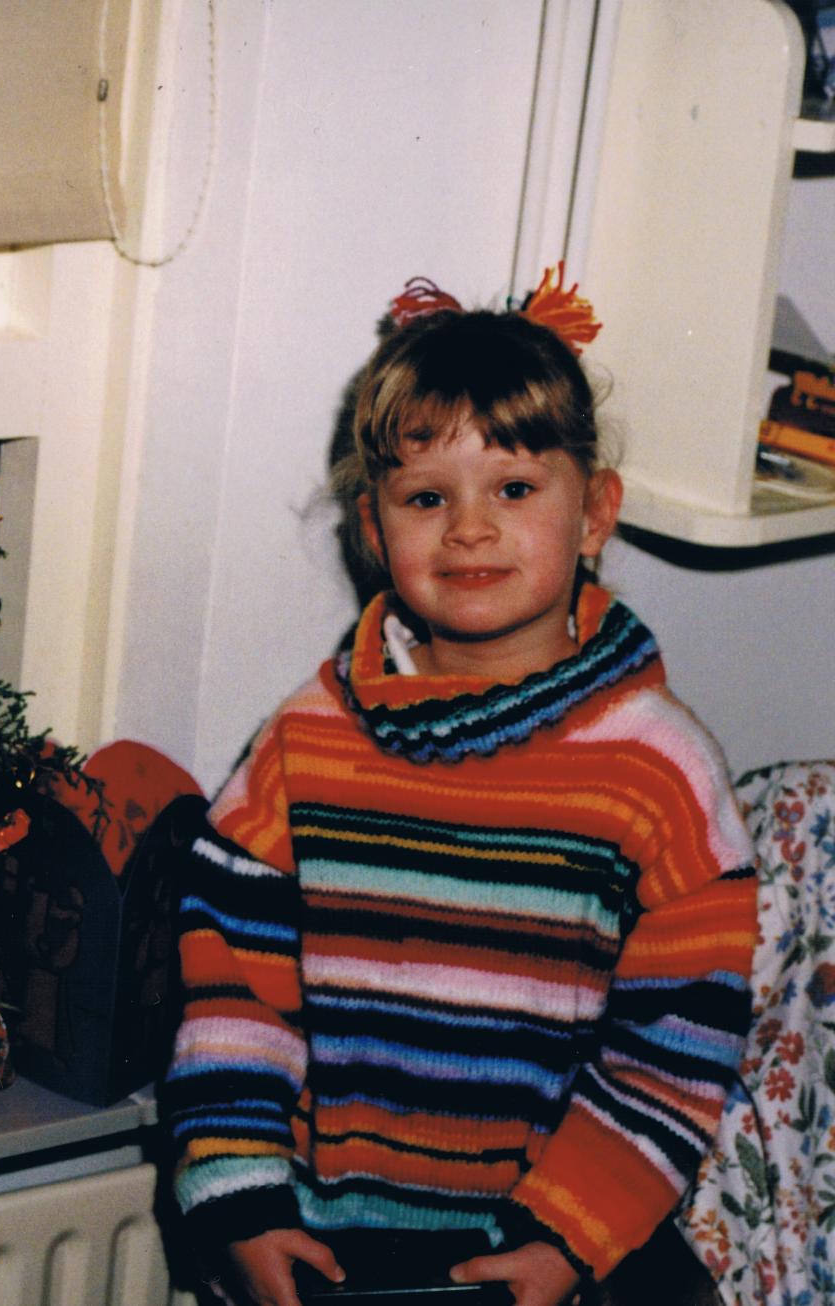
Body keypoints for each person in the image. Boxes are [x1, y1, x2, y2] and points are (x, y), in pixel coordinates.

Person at [163, 270, 757, 1306]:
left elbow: (672, 1048)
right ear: (370, 527)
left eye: (514, 490)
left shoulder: (656, 771)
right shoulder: (303, 747)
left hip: (558, 1253)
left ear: (593, 513)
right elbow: (230, 988)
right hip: (328, 1255)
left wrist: (564, 1241)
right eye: (426, 497)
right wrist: (241, 1200)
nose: (468, 529)